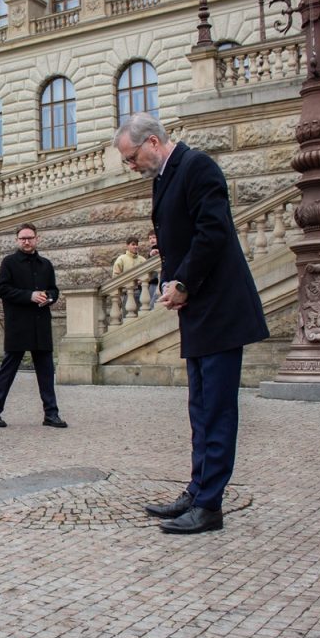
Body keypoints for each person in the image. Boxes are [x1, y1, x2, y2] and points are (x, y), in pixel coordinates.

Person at [114, 113, 269, 535]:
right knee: (199, 408)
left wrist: (184, 281)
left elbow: (212, 232)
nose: (131, 166)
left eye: (131, 158)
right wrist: (169, 279)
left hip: (219, 306)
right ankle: (198, 490)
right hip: (197, 309)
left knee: (216, 410)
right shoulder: (164, 177)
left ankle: (210, 506)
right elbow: (172, 240)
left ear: (151, 142)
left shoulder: (198, 166)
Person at [0, 223, 67, 430]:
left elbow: (54, 291)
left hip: (41, 325)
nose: (27, 241)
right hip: (18, 324)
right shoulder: (9, 262)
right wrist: (29, 295)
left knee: (46, 372)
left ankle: (51, 413)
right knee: (8, 370)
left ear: (37, 239)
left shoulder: (45, 264)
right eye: (23, 238)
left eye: (30, 237)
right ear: (17, 241)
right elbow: (2, 289)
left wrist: (48, 297)